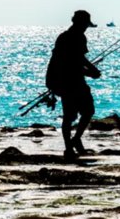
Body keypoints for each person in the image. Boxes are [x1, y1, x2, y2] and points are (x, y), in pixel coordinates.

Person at [46, 10, 101, 161]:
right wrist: (92, 71)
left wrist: (90, 70)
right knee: (82, 112)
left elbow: (77, 60)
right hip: (69, 81)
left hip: (64, 79)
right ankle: (70, 146)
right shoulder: (77, 37)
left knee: (75, 114)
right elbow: (76, 61)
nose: (85, 28)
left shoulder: (64, 37)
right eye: (85, 25)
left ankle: (72, 144)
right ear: (80, 23)